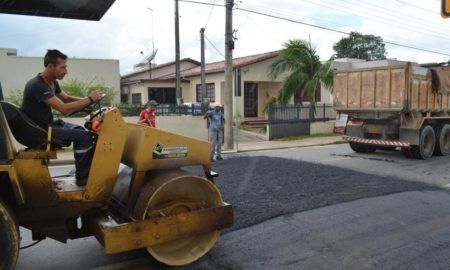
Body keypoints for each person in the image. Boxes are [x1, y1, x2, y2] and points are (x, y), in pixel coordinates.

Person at [21, 49, 103, 186]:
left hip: (48, 124)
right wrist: (89, 99)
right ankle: (83, 177)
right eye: (63, 67)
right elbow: (64, 109)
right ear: (50, 67)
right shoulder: (37, 85)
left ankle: (84, 169)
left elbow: (66, 99)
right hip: (40, 130)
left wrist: (89, 102)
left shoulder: (52, 82)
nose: (66, 71)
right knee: (85, 137)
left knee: (81, 130)